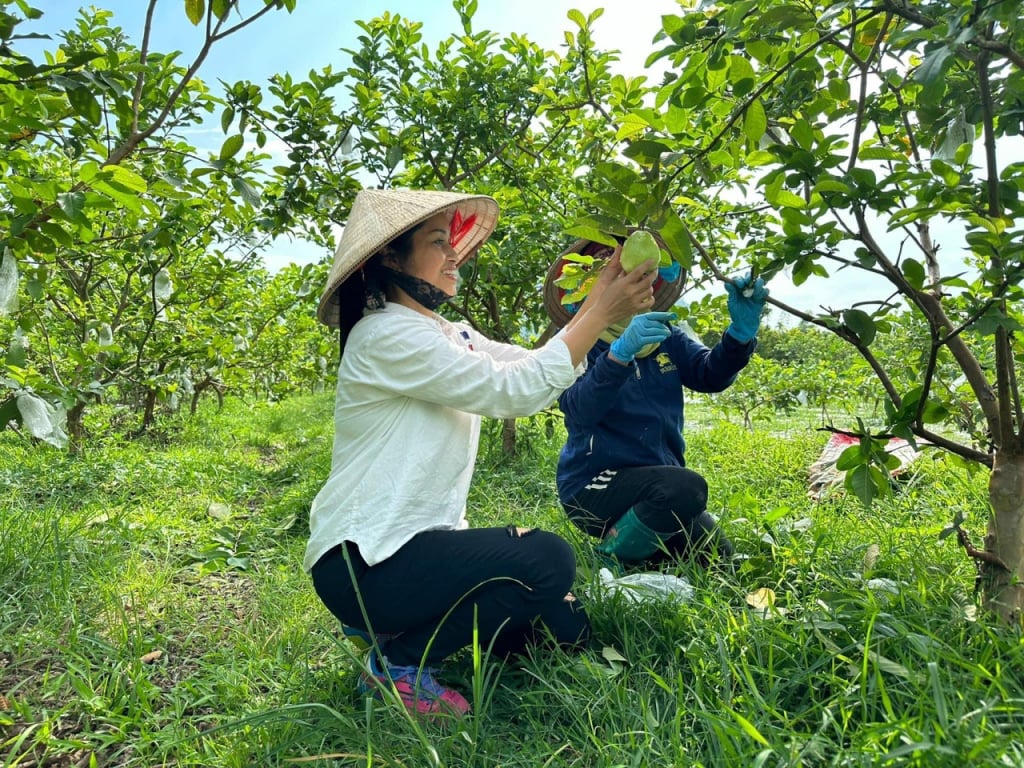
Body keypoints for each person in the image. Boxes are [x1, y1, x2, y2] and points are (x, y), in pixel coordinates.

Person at [305, 188, 659, 719]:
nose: (453, 254)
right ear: (388, 259)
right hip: (364, 561)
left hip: (410, 553)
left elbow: (537, 366)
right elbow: (516, 391)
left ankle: (398, 625)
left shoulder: (449, 334)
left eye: (451, 242)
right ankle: (396, 664)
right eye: (434, 242)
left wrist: (600, 313)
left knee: (564, 628)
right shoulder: (385, 336)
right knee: (548, 559)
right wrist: (596, 310)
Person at [543, 241, 769, 570]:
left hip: (660, 485)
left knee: (720, 562)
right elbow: (580, 410)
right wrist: (618, 356)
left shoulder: (663, 335)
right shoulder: (573, 344)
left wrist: (739, 336)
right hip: (593, 485)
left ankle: (641, 545)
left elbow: (710, 375)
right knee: (685, 488)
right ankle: (609, 558)